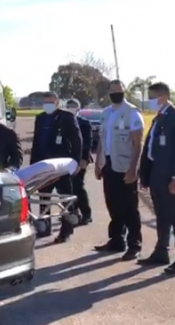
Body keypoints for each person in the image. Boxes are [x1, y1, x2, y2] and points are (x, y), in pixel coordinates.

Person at [94, 80, 144, 261]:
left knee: (130, 207)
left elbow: (138, 144)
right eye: (113, 91)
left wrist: (133, 169)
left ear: (124, 92)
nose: (116, 93)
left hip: (125, 167)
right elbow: (102, 139)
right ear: (108, 93)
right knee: (112, 204)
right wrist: (98, 163)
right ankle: (116, 240)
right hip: (108, 165)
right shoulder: (106, 113)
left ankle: (134, 244)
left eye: (119, 90)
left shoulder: (131, 113)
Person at [30, 91, 82, 243]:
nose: (48, 105)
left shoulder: (66, 117)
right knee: (43, 198)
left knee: (65, 199)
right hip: (43, 166)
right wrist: (34, 164)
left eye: (51, 102)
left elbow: (76, 140)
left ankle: (66, 230)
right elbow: (36, 142)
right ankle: (44, 228)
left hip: (61, 166)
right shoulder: (40, 118)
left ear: (57, 102)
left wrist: (76, 161)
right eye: (45, 102)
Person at [138, 82, 175, 269]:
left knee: (173, 216)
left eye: (153, 97)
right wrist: (144, 175)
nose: (151, 101)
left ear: (164, 96)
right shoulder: (158, 118)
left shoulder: (173, 117)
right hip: (156, 176)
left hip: (169, 178)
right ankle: (161, 252)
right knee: (161, 215)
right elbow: (150, 148)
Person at [64, 99, 93, 225]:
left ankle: (86, 213)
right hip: (66, 161)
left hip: (80, 160)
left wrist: (84, 159)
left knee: (78, 187)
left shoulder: (84, 123)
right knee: (66, 188)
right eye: (69, 106)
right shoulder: (63, 122)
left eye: (74, 106)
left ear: (79, 109)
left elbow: (88, 142)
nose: (71, 108)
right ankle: (72, 212)